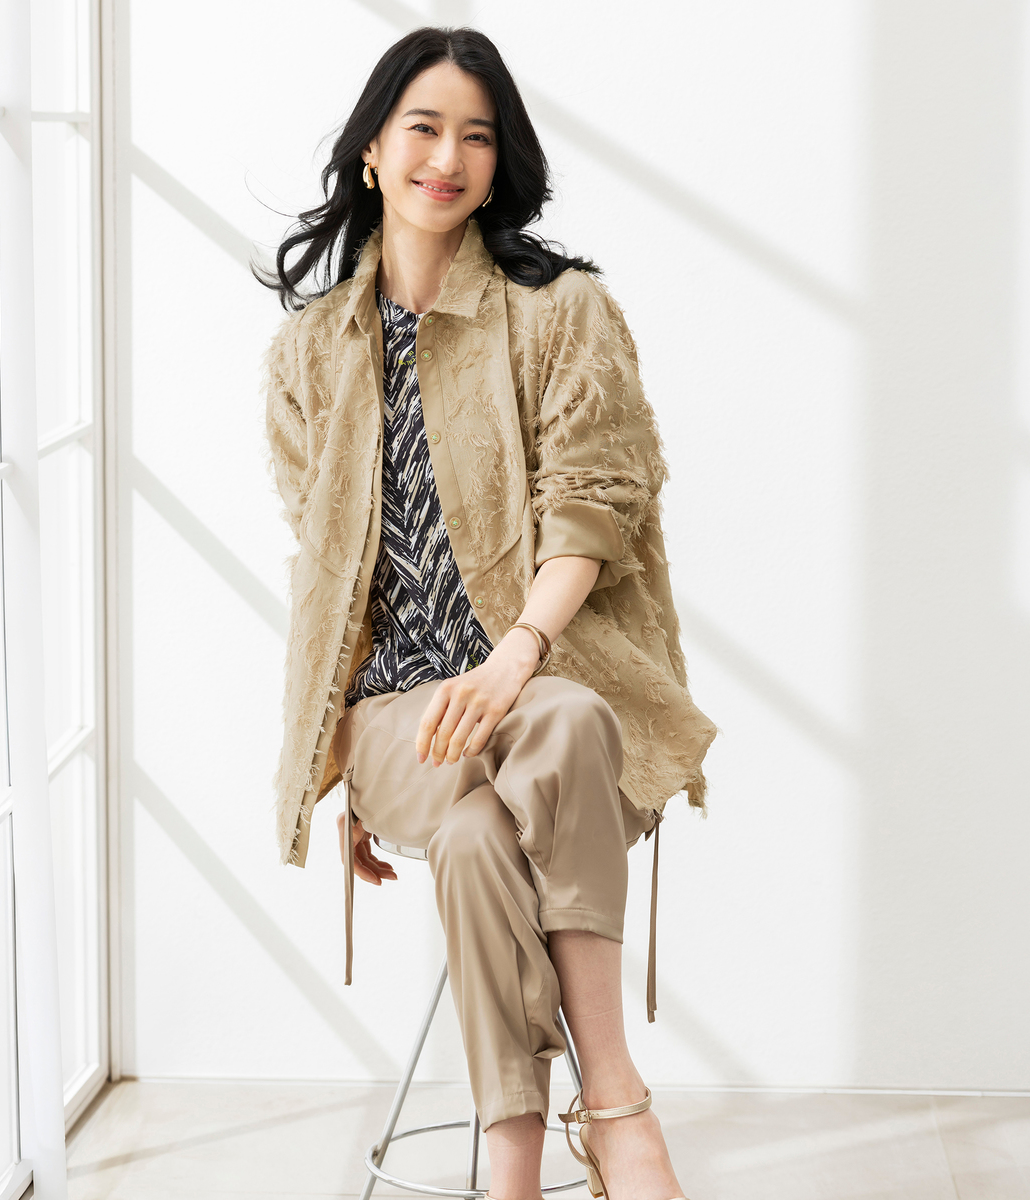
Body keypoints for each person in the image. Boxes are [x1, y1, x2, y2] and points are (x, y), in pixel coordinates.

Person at [255, 25, 716, 1200]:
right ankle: (619, 1109)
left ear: (501, 159)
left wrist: (515, 658)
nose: (448, 158)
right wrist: (339, 761)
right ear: (371, 150)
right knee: (539, 735)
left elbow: (593, 509)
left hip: (557, 716)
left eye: (477, 135)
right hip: (402, 727)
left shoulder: (562, 312)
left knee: (491, 818)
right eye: (424, 128)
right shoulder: (309, 354)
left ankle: (512, 1171)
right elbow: (327, 577)